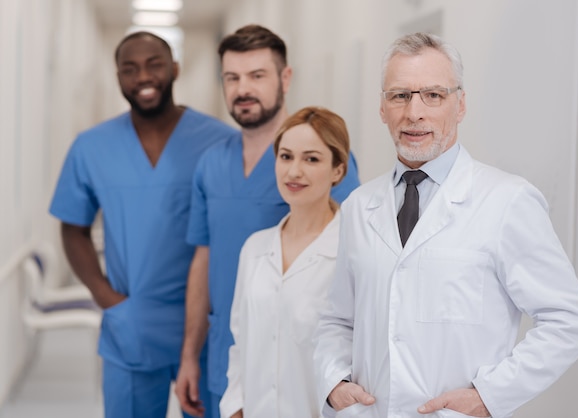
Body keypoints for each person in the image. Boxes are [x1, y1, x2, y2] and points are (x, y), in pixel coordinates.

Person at [314, 32, 578, 418]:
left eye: (433, 95)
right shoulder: (359, 206)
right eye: (400, 96)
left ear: (460, 105)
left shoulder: (507, 200)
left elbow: (568, 320)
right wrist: (333, 384)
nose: (414, 113)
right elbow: (337, 319)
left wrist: (489, 396)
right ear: (382, 107)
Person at [49, 31, 238, 418]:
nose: (143, 77)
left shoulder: (221, 143)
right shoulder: (92, 146)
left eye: (154, 64)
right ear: (118, 77)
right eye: (129, 69)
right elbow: (73, 228)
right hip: (131, 323)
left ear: (175, 68)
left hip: (207, 325)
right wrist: (106, 298)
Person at [174, 25, 360, 418]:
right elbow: (202, 260)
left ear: (285, 78)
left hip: (308, 362)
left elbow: (352, 258)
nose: (244, 88)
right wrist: (190, 354)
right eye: (232, 77)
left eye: (257, 76)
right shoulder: (211, 164)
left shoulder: (324, 157)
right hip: (230, 351)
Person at [220, 106, 350, 418]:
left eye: (312, 158)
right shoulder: (255, 249)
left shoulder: (352, 251)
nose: (294, 171)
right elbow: (241, 343)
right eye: (286, 156)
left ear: (338, 170)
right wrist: (235, 406)